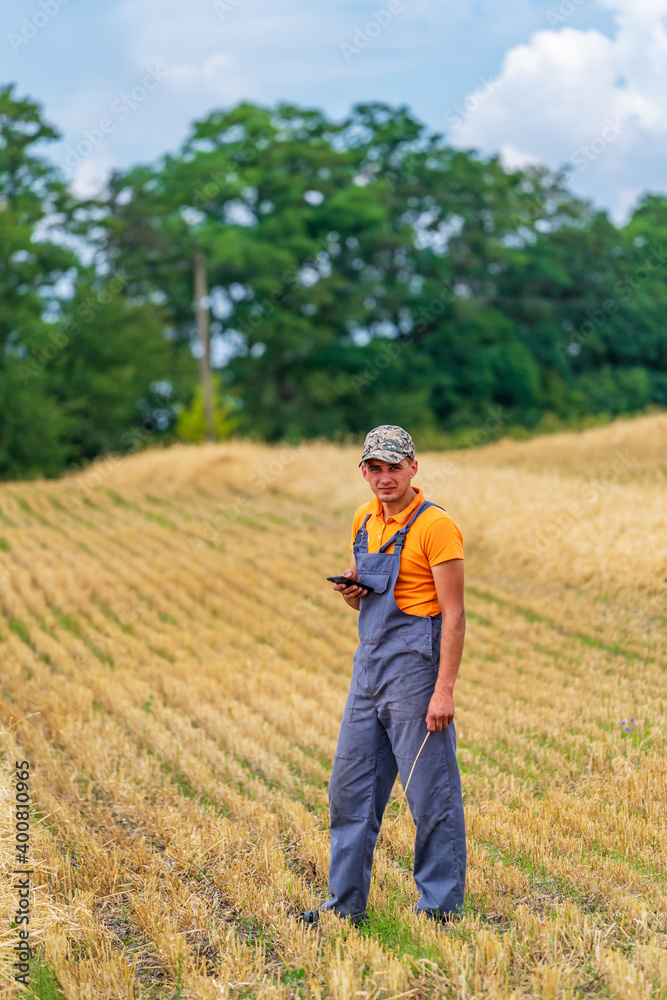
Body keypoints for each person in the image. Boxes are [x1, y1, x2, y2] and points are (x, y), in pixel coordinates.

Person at [299, 424, 466, 927]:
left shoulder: (437, 527)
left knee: (429, 791)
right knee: (349, 791)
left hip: (416, 669)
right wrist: (352, 592)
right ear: (364, 471)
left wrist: (444, 690)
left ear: (414, 467)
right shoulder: (363, 518)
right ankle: (343, 907)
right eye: (375, 467)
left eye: (394, 467)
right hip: (368, 665)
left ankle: (439, 907)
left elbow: (455, 615)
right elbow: (365, 590)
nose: (384, 477)